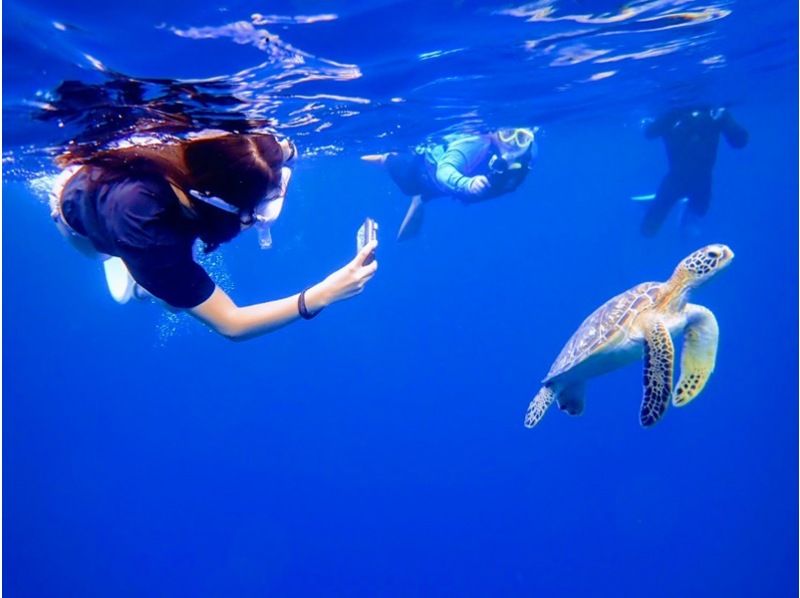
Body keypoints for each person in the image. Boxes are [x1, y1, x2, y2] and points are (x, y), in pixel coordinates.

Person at [49, 131, 378, 340]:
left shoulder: (225, 147)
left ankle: (157, 281)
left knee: (176, 284)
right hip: (81, 218)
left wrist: (282, 151)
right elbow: (231, 323)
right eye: (253, 211)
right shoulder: (148, 233)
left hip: (157, 195)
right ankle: (139, 288)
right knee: (171, 302)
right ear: (216, 197)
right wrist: (321, 295)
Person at [362, 127, 537, 240]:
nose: (513, 143)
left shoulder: (528, 154)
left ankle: (422, 199)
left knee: (438, 191)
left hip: (453, 189)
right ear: (494, 133)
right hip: (424, 174)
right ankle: (384, 158)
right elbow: (444, 170)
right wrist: (466, 183)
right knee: (402, 176)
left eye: (522, 138)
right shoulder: (475, 144)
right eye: (507, 135)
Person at [640, 105, 748, 237]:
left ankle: (680, 204)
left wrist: (725, 119)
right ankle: (664, 201)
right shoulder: (673, 115)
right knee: (648, 229)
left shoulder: (712, 113)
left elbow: (740, 141)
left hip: (701, 181)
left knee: (700, 211)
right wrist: (667, 117)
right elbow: (649, 133)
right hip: (677, 180)